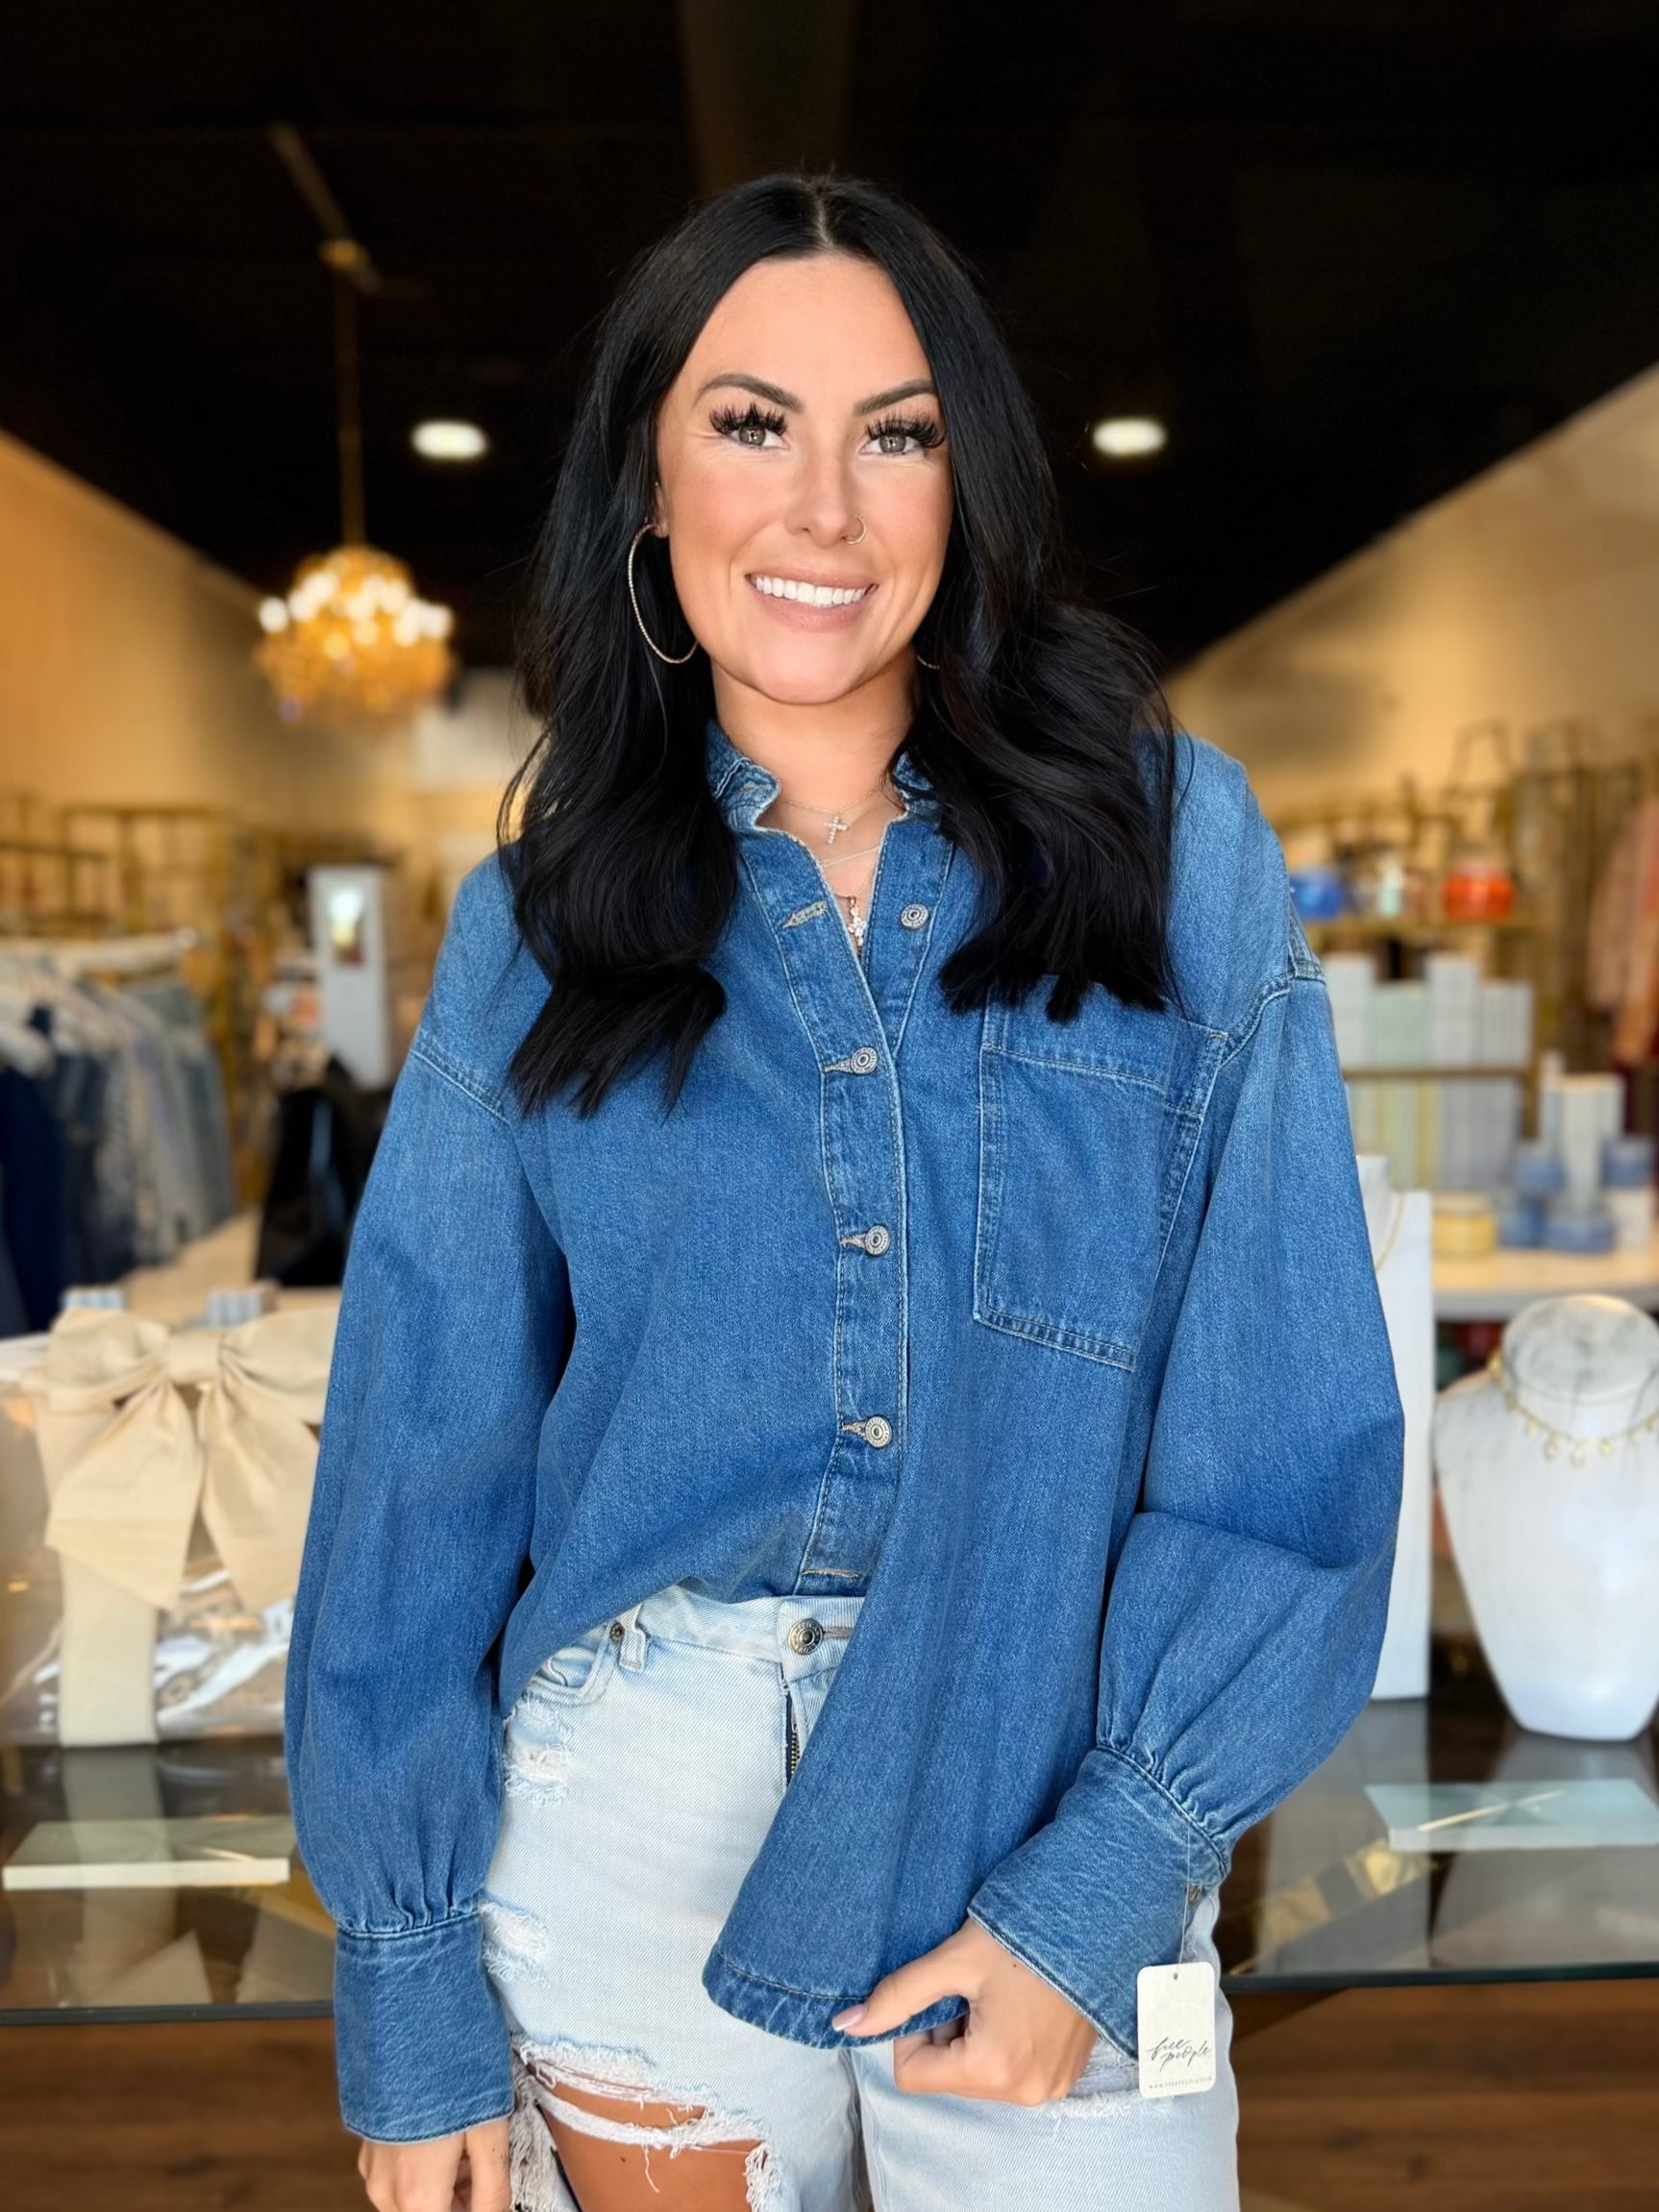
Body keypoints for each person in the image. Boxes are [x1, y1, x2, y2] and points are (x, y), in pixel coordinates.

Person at [285, 171, 1404, 2212]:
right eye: (747, 424)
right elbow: (417, 1465)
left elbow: (1283, 1421)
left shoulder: (1170, 847)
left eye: (892, 433)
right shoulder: (531, 925)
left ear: (960, 481)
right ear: (645, 479)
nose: (823, 509)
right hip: (631, 1820)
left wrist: (1115, 1864)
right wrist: (409, 1967)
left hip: (1040, 1762)